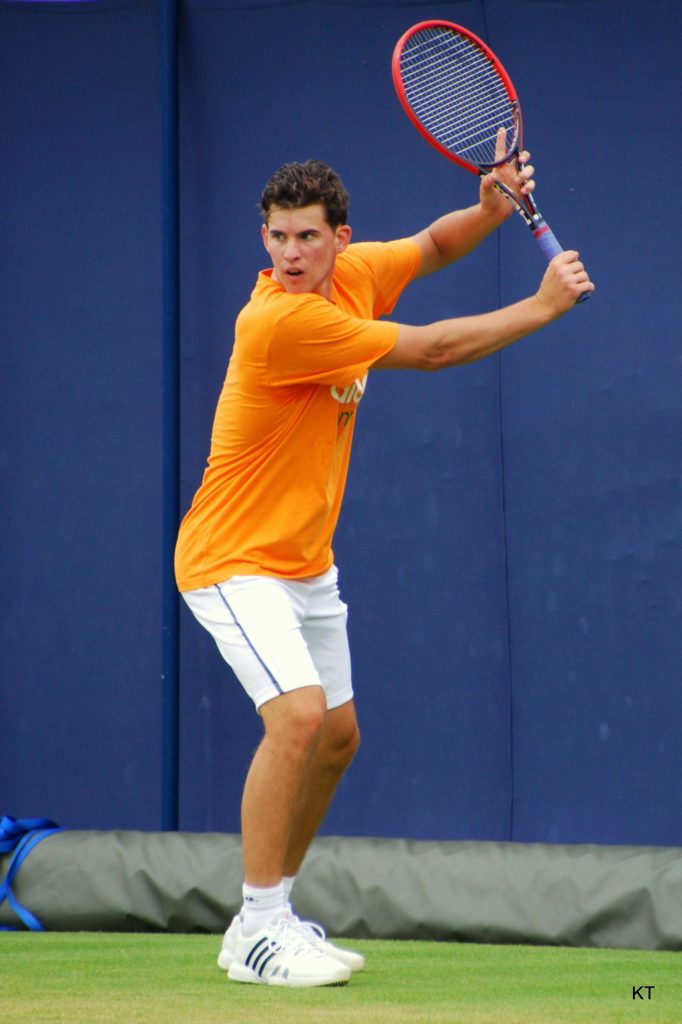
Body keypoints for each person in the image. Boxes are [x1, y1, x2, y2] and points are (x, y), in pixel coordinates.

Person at [174, 141, 593, 989]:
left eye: (306, 237)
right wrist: (540, 307)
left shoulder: (357, 273)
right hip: (231, 558)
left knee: (336, 738)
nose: (290, 253)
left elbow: (432, 247)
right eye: (276, 236)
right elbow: (433, 350)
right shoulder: (279, 322)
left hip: (303, 562)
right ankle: (259, 927)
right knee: (297, 716)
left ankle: (267, 918)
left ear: (340, 239)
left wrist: (487, 210)